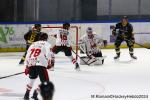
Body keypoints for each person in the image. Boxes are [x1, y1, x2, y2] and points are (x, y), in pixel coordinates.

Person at [23, 33, 55, 100]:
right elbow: (49, 54)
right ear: (46, 38)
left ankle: (26, 94)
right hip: (40, 65)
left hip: (31, 64)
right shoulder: (47, 44)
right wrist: (50, 63)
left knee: (32, 80)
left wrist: (26, 66)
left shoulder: (33, 44)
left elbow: (27, 55)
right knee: (45, 82)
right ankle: (35, 93)